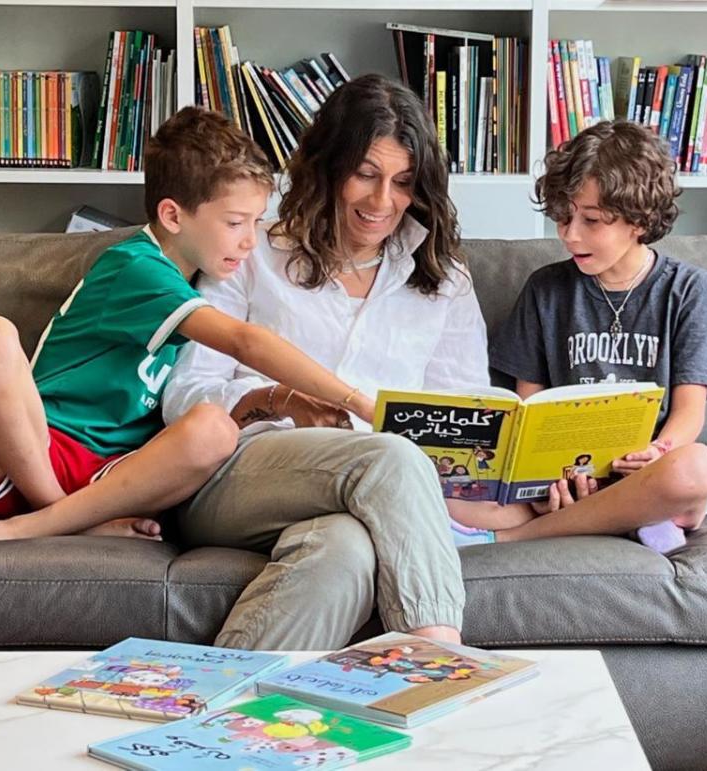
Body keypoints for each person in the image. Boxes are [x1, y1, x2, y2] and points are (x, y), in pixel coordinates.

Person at [0, 108, 374, 549]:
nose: (251, 241)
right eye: (235, 223)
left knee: (215, 429)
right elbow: (245, 342)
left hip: (115, 479)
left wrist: (286, 401)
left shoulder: (203, 280)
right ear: (174, 216)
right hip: (34, 454)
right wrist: (358, 402)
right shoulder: (136, 267)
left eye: (255, 222)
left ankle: (61, 519)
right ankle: (46, 521)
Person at [162, 74, 489, 650]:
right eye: (365, 174)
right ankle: (439, 657)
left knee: (345, 549)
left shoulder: (443, 279)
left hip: (374, 497)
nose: (382, 201)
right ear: (328, 165)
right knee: (388, 455)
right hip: (238, 477)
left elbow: (465, 414)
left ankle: (217, 712)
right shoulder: (252, 250)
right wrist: (276, 402)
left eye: (404, 182)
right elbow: (185, 395)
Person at [451, 120, 707, 551]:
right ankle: (639, 517)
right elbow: (530, 408)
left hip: (645, 470)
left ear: (638, 221)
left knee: (698, 468)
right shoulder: (546, 290)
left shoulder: (689, 291)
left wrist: (659, 451)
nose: (570, 234)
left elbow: (689, 413)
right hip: (562, 480)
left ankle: (512, 536)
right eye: (563, 217)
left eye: (591, 220)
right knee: (444, 492)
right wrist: (549, 478)